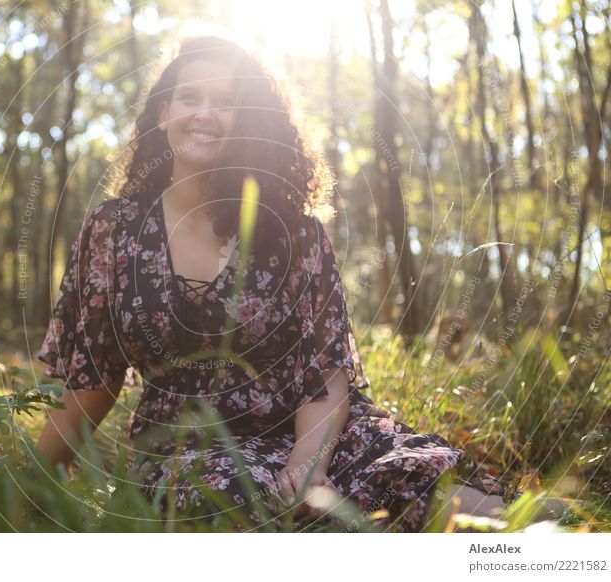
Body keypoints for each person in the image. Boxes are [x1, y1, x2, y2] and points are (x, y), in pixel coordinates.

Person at [35, 34, 507, 532]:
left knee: (448, 496)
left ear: (251, 122)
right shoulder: (114, 230)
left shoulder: (297, 234)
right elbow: (93, 374)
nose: (205, 114)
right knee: (252, 510)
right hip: (191, 452)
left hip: (317, 434)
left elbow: (324, 371)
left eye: (225, 103)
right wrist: (25, 479)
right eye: (190, 97)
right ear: (162, 113)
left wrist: (308, 464)